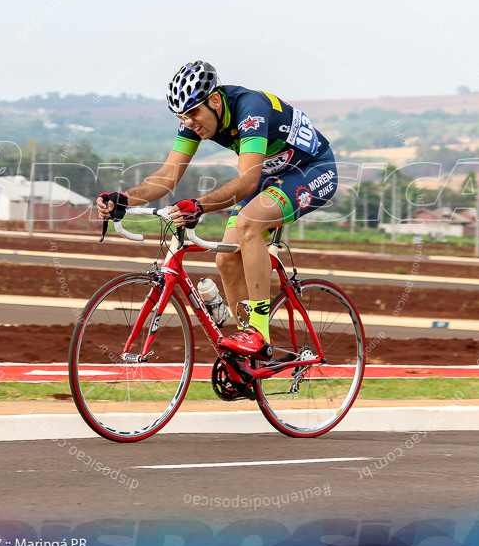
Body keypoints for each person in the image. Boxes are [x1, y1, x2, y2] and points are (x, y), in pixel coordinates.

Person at [96, 60, 338, 360]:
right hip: (271, 175)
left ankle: (259, 333)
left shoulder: (250, 108)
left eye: (193, 113)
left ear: (214, 100)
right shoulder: (196, 119)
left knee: (249, 223)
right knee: (226, 258)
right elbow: (166, 176)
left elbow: (248, 180)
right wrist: (124, 198)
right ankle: (246, 354)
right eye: (182, 117)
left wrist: (200, 205)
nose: (189, 122)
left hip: (311, 170)